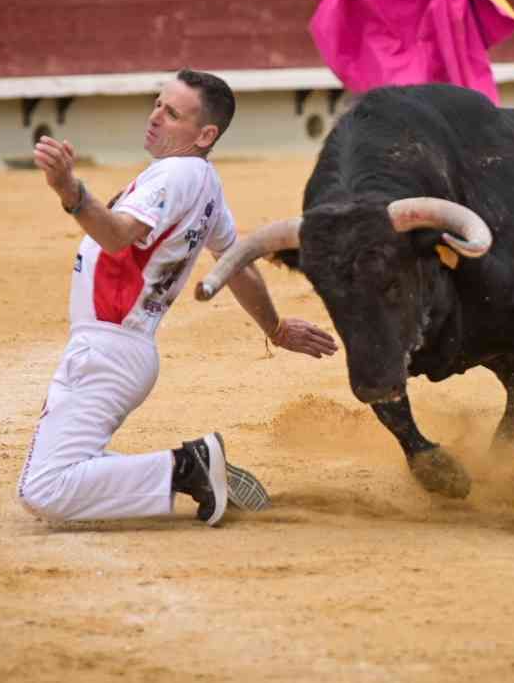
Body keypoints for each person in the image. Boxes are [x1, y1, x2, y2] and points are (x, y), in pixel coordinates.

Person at [17, 69, 338, 527]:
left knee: (44, 489)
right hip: (122, 347)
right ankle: (189, 469)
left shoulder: (174, 174)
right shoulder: (203, 180)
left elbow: (118, 237)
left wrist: (71, 191)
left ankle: (191, 467)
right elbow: (238, 264)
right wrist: (276, 328)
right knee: (53, 481)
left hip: (108, 345)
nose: (155, 117)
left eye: (171, 113)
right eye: (157, 104)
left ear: (205, 133)